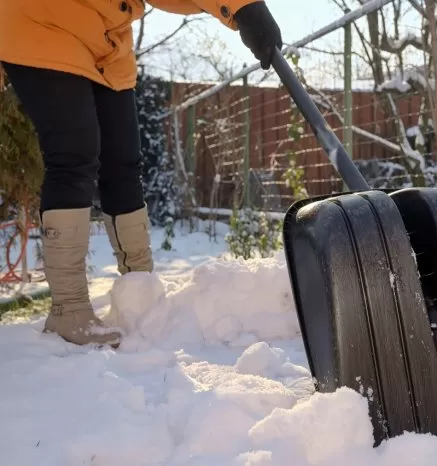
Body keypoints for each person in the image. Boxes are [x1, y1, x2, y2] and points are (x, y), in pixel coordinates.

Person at [0, 0, 282, 348]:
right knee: (74, 154)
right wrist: (245, 4)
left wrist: (239, 9)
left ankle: (140, 292)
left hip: (108, 39)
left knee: (123, 164)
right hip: (46, 17)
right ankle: (69, 310)